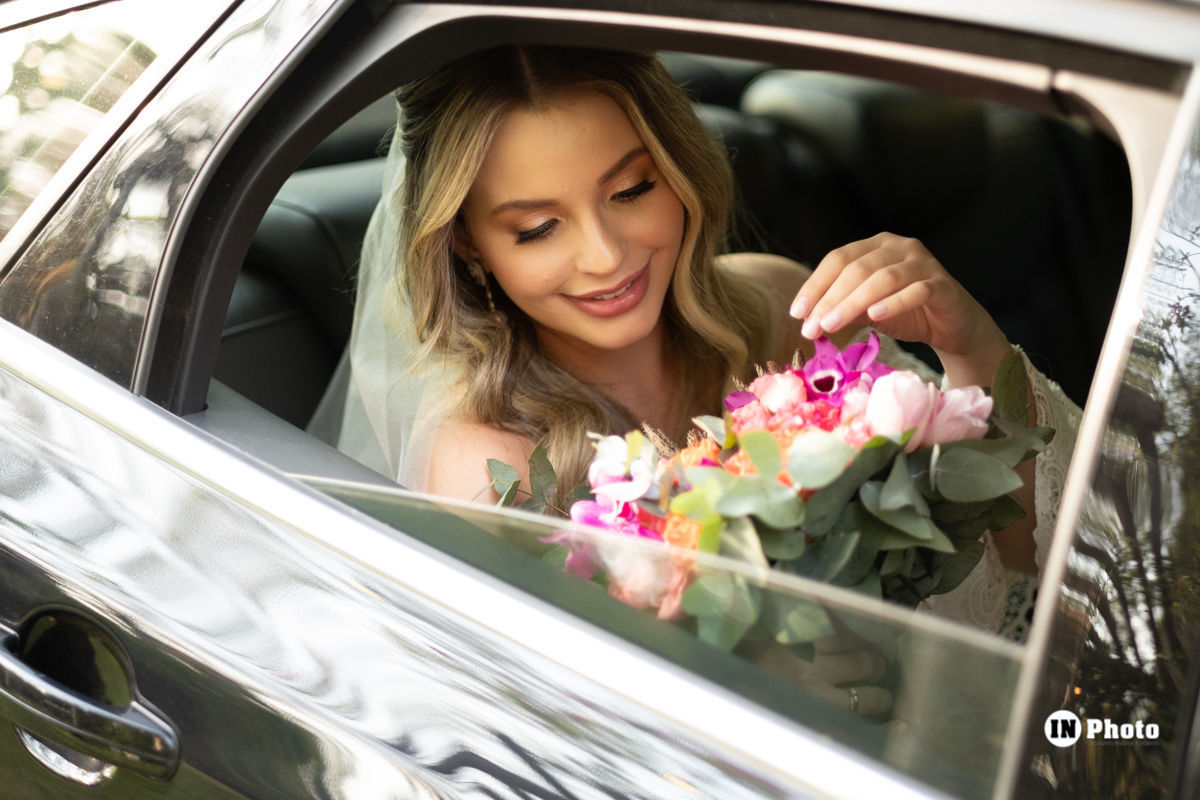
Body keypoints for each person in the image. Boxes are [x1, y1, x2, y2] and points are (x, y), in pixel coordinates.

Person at [317, 46, 1079, 646]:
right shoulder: (494, 470)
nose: (606, 255)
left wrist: (970, 346)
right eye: (538, 228)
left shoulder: (785, 307)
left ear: (678, 167)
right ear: (471, 246)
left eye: (631, 190)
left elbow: (1027, 561)